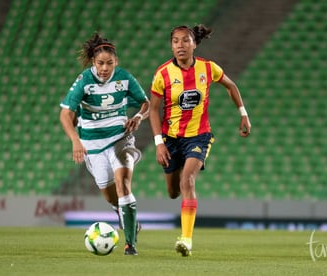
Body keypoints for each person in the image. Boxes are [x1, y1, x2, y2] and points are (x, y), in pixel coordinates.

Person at [148, 24, 251, 257]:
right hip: (170, 138)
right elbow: (154, 110)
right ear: (171, 45)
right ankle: (184, 225)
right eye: (175, 41)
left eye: (185, 40)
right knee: (173, 191)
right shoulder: (162, 74)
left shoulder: (208, 68)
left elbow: (231, 85)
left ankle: (186, 239)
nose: (180, 45)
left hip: (199, 135)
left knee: (188, 180)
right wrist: (159, 143)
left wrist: (243, 113)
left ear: (194, 44)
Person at [60, 32, 150, 255]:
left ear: (116, 62)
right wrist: (75, 141)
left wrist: (138, 117)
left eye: (109, 63)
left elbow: (146, 104)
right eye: (100, 63)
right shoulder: (84, 81)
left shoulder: (124, 78)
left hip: (121, 138)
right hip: (92, 144)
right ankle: (124, 216)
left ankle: (130, 244)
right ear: (93, 62)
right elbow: (65, 115)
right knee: (111, 196)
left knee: (123, 183)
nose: (105, 68)